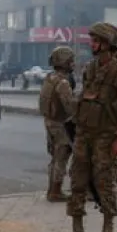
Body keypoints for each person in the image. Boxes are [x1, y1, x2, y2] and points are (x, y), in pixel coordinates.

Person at [69, 23, 117, 232]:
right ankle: (77, 223)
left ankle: (108, 225)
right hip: (84, 132)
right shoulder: (90, 68)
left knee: (105, 179)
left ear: (107, 44)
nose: (92, 44)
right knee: (78, 177)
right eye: (92, 40)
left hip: (106, 134)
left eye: (96, 41)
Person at [37, 45, 75, 203]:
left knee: (54, 157)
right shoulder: (63, 83)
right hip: (60, 124)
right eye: (71, 61)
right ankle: (55, 191)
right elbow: (70, 107)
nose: (73, 64)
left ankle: (52, 189)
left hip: (50, 122)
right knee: (61, 156)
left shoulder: (50, 78)